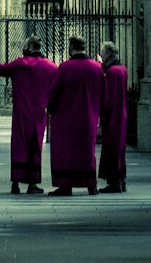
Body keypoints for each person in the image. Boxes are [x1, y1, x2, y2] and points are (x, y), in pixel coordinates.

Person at [0, 36, 57, 193]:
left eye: (25, 44)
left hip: (21, 114)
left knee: (19, 146)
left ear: (30, 47)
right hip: (39, 114)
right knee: (35, 147)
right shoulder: (50, 66)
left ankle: (15, 183)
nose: (23, 46)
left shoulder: (19, 65)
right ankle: (32, 184)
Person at [46, 35, 103, 195]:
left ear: (71, 47)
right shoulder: (96, 67)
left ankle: (65, 185)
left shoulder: (65, 67)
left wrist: (50, 108)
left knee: (66, 152)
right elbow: (102, 91)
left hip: (66, 119)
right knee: (87, 151)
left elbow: (53, 93)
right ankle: (91, 185)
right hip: (89, 117)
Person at [98, 41, 128, 192]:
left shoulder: (111, 72)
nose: (101, 56)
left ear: (109, 54)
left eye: (102, 53)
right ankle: (121, 180)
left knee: (111, 149)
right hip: (121, 114)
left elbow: (108, 99)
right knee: (119, 149)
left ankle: (114, 183)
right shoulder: (122, 69)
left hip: (112, 117)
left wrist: (101, 116)